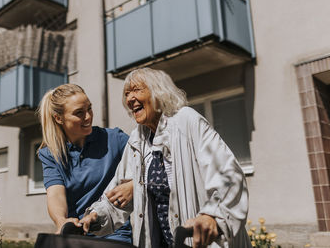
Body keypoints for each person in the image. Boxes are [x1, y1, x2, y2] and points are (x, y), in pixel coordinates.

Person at [80, 68, 252, 248]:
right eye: (127, 94)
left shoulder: (187, 121)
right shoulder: (137, 140)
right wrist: (96, 215)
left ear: (158, 92)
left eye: (137, 90)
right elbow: (118, 195)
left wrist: (213, 216)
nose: (130, 99)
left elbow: (229, 176)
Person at [37, 84, 133, 243]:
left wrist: (133, 185)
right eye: (79, 113)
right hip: (78, 234)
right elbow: (55, 194)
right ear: (58, 118)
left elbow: (149, 164)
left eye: (89, 108)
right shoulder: (50, 154)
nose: (88, 116)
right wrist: (61, 221)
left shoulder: (114, 139)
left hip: (117, 233)